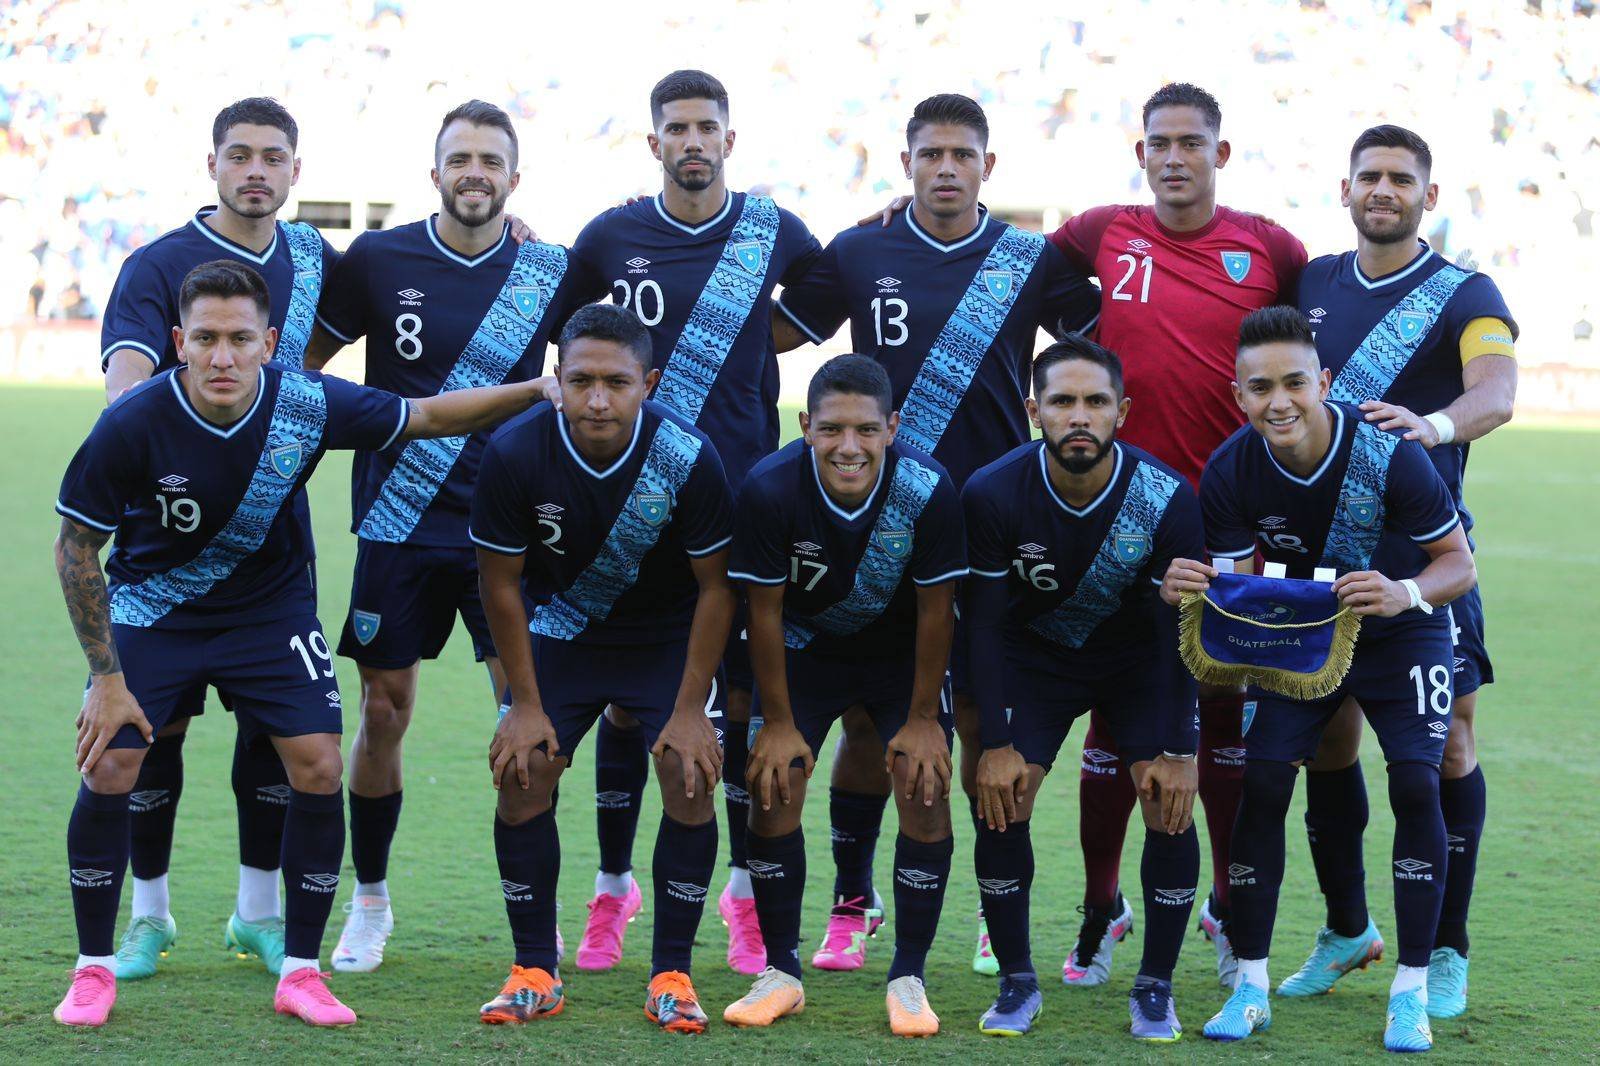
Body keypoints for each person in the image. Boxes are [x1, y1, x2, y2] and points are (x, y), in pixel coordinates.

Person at [861, 82, 1306, 985]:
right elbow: (1000, 255)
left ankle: (1224, 907)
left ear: (1220, 153)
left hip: (1223, 512)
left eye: (1191, 142)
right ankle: (1102, 908)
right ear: (1138, 153)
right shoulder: (1102, 230)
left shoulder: (1274, 247)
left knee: (1217, 717)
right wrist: (900, 214)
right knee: (1114, 722)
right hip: (1106, 508)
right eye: (1158, 143)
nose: (1174, 157)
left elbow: (1297, 344)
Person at [53, 259, 566, 1028]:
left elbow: (423, 416)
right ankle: (93, 969)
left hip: (269, 614)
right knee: (115, 755)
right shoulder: (133, 422)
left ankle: (300, 971)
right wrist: (106, 677)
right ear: (177, 343)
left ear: (268, 343)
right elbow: (75, 549)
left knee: (322, 764)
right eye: (205, 339)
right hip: (158, 609)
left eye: (238, 338)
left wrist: (535, 391)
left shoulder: (306, 403)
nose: (222, 357)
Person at [772, 91, 1098, 972]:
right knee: (867, 725)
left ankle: (995, 913)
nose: (946, 168)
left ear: (988, 166)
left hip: (990, 525)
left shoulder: (1031, 260)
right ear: (906, 162)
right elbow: (767, 327)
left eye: (962, 154)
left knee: (988, 724)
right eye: (930, 154)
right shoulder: (861, 249)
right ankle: (852, 902)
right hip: (876, 525)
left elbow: (1107, 335)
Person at [300, 100, 587, 972]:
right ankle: (372, 900)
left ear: (514, 176)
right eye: (459, 158)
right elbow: (301, 369)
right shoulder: (378, 259)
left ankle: (533, 927)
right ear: (434, 173)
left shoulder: (553, 268)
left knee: (529, 719)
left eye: (490, 160)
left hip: (513, 527)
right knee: (384, 712)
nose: (475, 172)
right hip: (399, 522)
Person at [563, 68, 821, 975]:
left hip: (743, 501)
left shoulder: (774, 230)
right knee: (631, 710)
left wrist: (754, 344)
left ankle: (744, 896)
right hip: (631, 501)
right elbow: (572, 335)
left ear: (729, 139)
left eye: (708, 126)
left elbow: (818, 307)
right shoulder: (609, 236)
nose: (694, 141)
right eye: (677, 128)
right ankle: (611, 889)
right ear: (655, 142)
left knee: (741, 704)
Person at [1166, 306, 1476, 1053]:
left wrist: (1403, 591)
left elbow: (1457, 565)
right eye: (1260, 387)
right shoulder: (1234, 468)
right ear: (1238, 394)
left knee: (1416, 779)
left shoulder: (1393, 456)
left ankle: (1411, 995)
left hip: (1406, 629)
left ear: (1325, 381)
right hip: (1303, 631)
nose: (1280, 401)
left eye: (1296, 382)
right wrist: (1190, 589)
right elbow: (1237, 589)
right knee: (1264, 779)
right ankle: (1250, 986)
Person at [94, 96, 337, 982]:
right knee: (151, 736)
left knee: (277, 736)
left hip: (274, 548)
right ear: (213, 166)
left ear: (295, 171)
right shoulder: (159, 265)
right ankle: (148, 919)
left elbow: (378, 311)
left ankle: (257, 914)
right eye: (240, 156)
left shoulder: (310, 257)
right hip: (167, 545)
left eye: (274, 157)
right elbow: (125, 386)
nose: (256, 172)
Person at [1283, 125, 1516, 1017]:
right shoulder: (1308, 283)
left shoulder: (1468, 292)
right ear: (1344, 189)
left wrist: (1436, 426)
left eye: (1401, 179)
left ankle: (1447, 945)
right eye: (1370, 177)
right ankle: (1347, 927)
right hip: (1318, 557)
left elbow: (1496, 389)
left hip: (1426, 556)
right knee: (1326, 738)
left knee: (1449, 741)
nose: (1384, 190)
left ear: (1428, 191)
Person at [470, 304, 735, 1033]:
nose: (595, 399)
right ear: (556, 378)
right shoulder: (517, 452)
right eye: (579, 379)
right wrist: (521, 704)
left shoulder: (688, 454)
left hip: (666, 639)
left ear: (647, 382)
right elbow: (499, 583)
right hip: (564, 631)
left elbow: (718, 587)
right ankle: (534, 971)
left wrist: (688, 710)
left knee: (689, 773)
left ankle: (672, 975)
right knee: (524, 768)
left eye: (615, 382)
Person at [963, 336, 1202, 1041]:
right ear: (1034, 410)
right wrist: (995, 742)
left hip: (1137, 665)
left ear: (1121, 412)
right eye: (1062, 402)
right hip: (1034, 662)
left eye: (1095, 402)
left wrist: (1178, 747)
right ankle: (1016, 984)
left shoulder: (1167, 497)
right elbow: (981, 627)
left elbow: (1177, 635)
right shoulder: (992, 492)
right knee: (1001, 801)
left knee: (1167, 804)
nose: (1079, 416)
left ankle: (1155, 988)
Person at [722, 355, 966, 1037]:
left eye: (866, 429)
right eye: (832, 430)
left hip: (897, 655)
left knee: (925, 783)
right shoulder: (770, 488)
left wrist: (922, 720)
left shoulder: (929, 488)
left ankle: (908, 978)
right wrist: (776, 722)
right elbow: (763, 614)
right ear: (806, 426)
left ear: (892, 427)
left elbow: (935, 611)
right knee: (773, 780)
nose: (849, 447)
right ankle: (781, 972)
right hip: (803, 649)